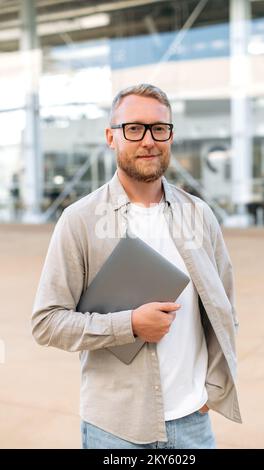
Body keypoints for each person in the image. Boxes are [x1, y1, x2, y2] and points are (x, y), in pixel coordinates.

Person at [32, 84, 241, 449]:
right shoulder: (80, 221)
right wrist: (128, 325)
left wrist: (212, 386)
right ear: (111, 137)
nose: (149, 140)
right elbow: (46, 322)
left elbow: (224, 307)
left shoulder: (199, 214)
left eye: (159, 128)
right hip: (117, 429)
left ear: (170, 135)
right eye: (134, 128)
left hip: (194, 423)